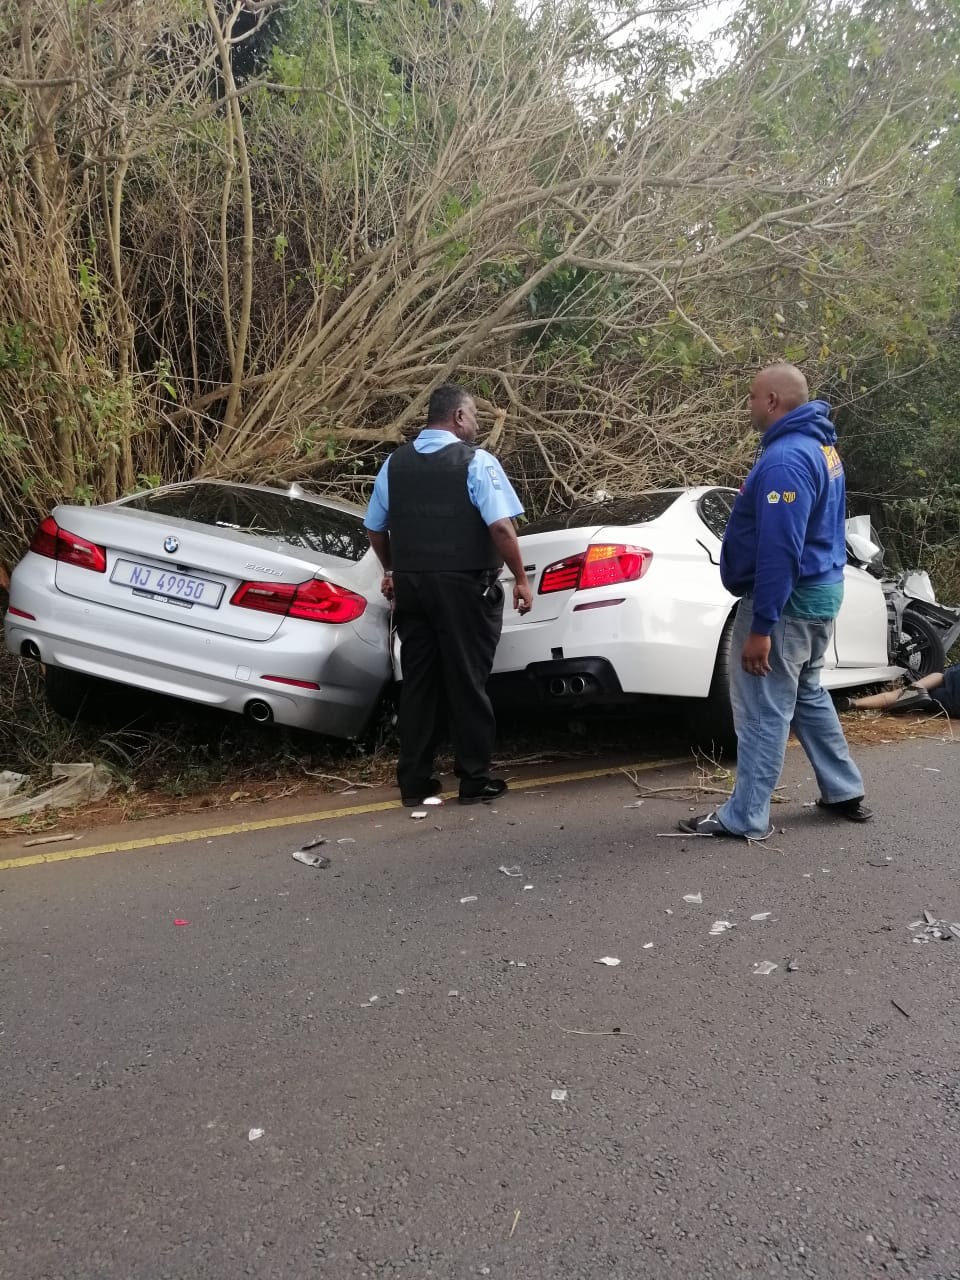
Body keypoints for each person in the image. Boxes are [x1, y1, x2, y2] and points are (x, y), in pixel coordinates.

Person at [681, 363, 872, 840]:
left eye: (751, 396)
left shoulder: (786, 459)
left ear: (771, 401)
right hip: (820, 594)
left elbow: (780, 550)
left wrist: (761, 627)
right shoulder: (822, 448)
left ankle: (746, 815)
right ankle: (843, 788)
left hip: (788, 604)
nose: (747, 405)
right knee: (807, 693)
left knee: (763, 711)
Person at [365, 383, 534, 806]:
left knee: (419, 684)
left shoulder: (395, 464)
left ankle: (414, 783)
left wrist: (392, 570)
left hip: (413, 590)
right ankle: (474, 779)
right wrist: (521, 578)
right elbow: (501, 527)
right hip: (464, 589)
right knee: (467, 681)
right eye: (473, 414)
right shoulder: (476, 461)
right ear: (458, 417)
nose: (476, 423)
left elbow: (375, 528)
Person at [837, 666, 960, 716]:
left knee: (899, 694)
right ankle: (853, 703)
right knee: (906, 696)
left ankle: (854, 703)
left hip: (943, 690)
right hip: (947, 706)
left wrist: (918, 685)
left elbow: (940, 676)